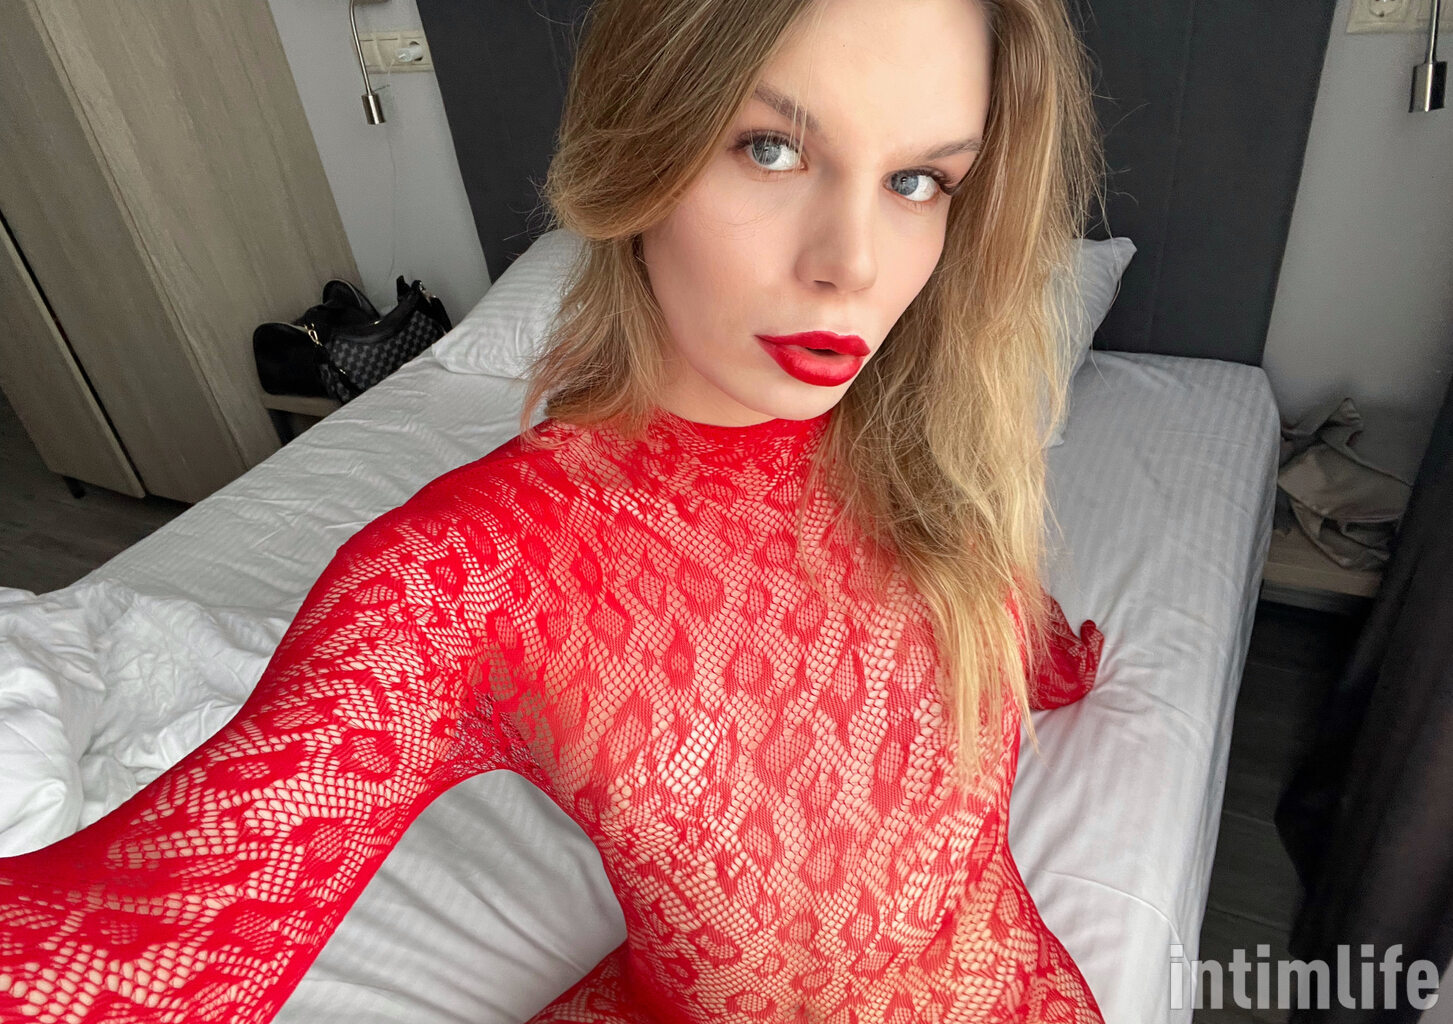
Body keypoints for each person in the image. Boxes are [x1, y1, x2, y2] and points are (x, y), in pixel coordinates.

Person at [0, 0, 1108, 1019]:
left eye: (918, 181)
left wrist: (1050, 660)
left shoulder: (935, 452)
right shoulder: (468, 574)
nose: (852, 267)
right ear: (639, 156)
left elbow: (984, 631)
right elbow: (128, 950)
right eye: (769, 148)